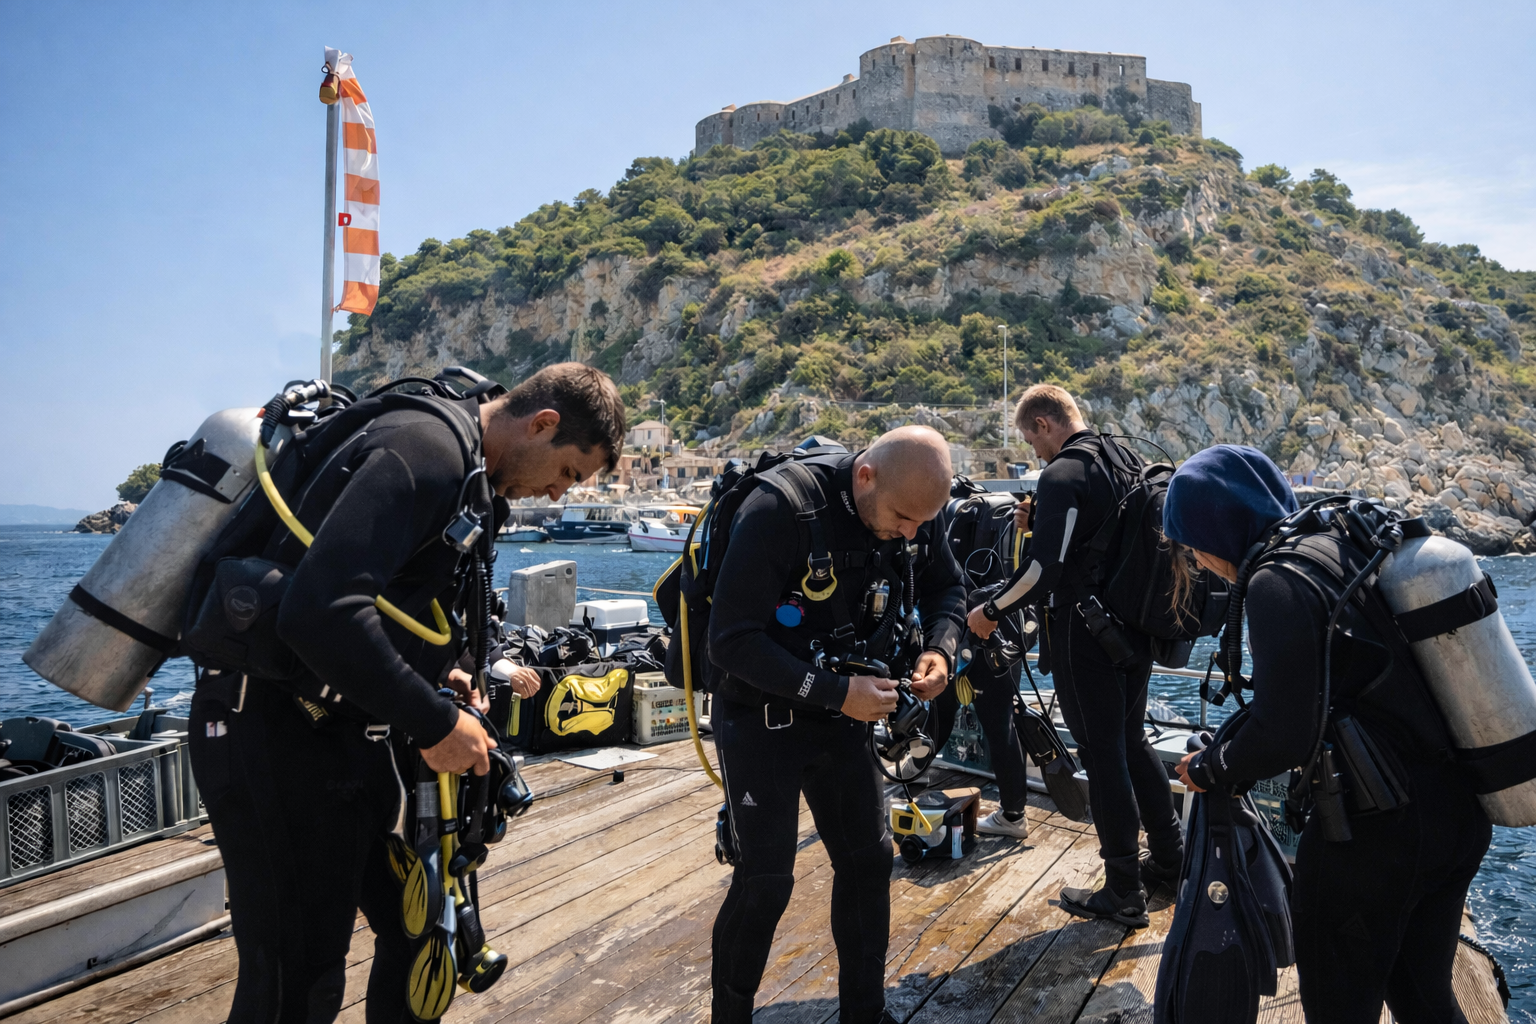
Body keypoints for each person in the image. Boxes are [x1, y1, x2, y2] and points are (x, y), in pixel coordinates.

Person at [188, 363, 627, 1024]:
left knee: (421, 939)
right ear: (543, 424)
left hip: (344, 737)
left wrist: (443, 668)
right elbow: (319, 610)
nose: (558, 495)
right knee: (295, 979)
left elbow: (396, 601)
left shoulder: (468, 477)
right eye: (568, 473)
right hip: (266, 732)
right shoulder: (424, 451)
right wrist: (433, 723)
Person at [1166, 445, 1491, 1023]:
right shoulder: (1336, 550)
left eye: (1191, 540)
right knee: (1424, 999)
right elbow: (1317, 694)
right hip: (1455, 813)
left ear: (1217, 526)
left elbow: (1286, 734)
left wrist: (1214, 769)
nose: (1194, 557)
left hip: (1374, 835)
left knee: (1339, 1008)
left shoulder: (1276, 582)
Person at [706, 426, 966, 1024]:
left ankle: (865, 1014)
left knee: (868, 862)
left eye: (922, 525)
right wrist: (834, 691)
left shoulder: (913, 515)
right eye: (903, 518)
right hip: (762, 715)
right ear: (866, 475)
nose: (910, 534)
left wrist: (942, 649)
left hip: (848, 713)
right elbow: (729, 641)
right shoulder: (779, 509)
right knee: (766, 882)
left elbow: (947, 587)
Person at [966, 384, 1182, 928]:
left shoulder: (1061, 474)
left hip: (1085, 636)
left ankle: (1123, 890)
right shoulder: (1121, 457)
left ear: (1043, 424)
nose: (1033, 452)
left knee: (1103, 754)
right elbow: (1101, 540)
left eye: (1029, 439)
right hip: (1133, 631)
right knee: (1131, 743)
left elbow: (1043, 572)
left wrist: (990, 611)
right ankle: (1173, 860)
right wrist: (1040, 524)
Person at [926, 485, 1036, 839]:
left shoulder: (942, 521)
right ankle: (1013, 813)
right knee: (999, 723)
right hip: (1002, 623)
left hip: (970, 623)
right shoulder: (1008, 520)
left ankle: (914, 769)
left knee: (941, 703)